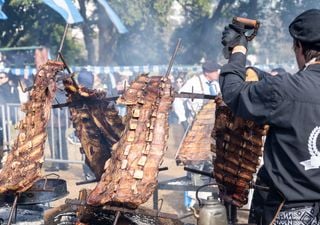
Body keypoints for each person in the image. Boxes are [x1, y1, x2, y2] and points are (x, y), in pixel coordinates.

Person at [220, 9, 320, 225]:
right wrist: (258, 73)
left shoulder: (285, 90)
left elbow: (233, 92)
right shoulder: (286, 88)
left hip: (288, 211)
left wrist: (238, 50)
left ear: (300, 46)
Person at [173, 61, 221, 130]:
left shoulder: (216, 85)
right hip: (195, 124)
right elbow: (178, 99)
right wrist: (183, 119)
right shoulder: (193, 83)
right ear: (207, 73)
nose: (217, 73)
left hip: (212, 124)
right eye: (215, 71)